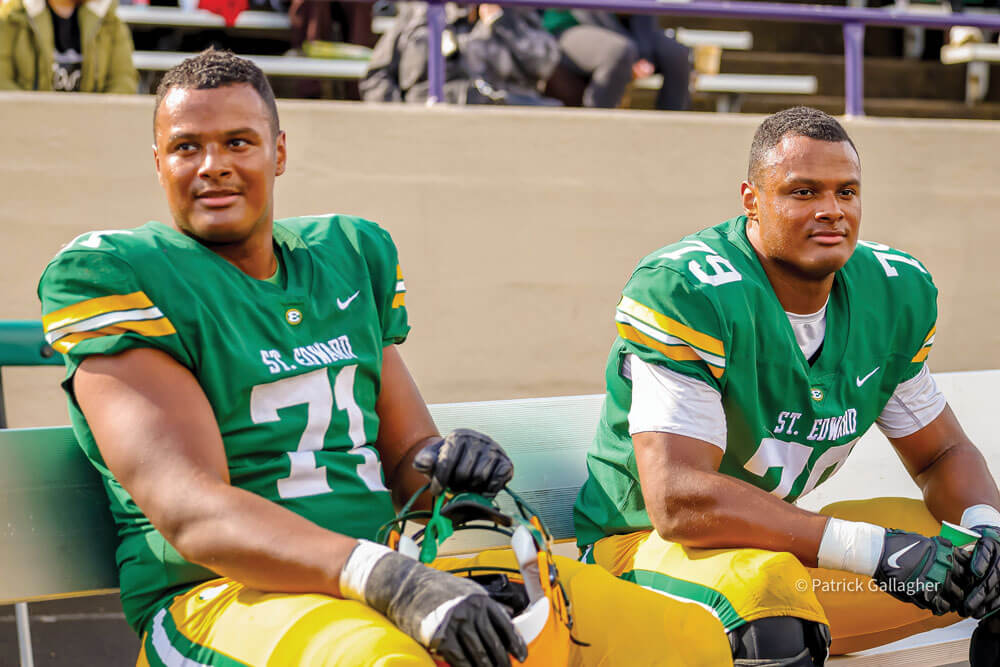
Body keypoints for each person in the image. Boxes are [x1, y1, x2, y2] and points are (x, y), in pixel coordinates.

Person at [37, 49, 732, 666]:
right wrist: (390, 579)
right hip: (219, 599)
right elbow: (193, 512)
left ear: (278, 152)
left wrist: (450, 465)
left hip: (387, 570)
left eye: (238, 142)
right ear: (158, 161)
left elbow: (409, 460)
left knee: (687, 640)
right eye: (187, 147)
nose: (213, 165)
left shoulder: (345, 258)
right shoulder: (118, 275)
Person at [573, 105, 1000, 666]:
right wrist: (873, 552)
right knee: (772, 607)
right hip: (642, 556)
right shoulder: (690, 290)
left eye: (846, 192)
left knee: (976, 563)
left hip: (776, 558)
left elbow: (942, 451)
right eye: (803, 192)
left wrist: (985, 531)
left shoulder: (889, 293)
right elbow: (678, 499)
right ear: (752, 199)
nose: (831, 211)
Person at [361, 2, 561, 106]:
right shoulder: (418, 13)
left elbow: (543, 64)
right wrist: (398, 119)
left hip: (498, 122)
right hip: (425, 122)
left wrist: (500, 21)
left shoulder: (514, 12)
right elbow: (376, 77)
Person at [541, 10, 690, 110]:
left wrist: (645, 55)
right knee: (619, 51)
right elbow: (589, 12)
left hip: (623, 31)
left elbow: (642, 12)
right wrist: (635, 56)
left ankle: (670, 129)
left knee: (676, 53)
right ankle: (596, 125)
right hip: (568, 27)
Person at [0, 0, 137, 93]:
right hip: (28, 131)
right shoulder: (12, 20)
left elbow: (124, 83)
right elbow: (3, 82)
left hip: (92, 130)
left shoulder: (111, 23)